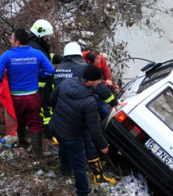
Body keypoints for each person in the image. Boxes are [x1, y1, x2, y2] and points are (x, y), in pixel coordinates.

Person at [53, 42, 126, 185]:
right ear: (79, 54)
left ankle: (66, 171)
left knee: (62, 142)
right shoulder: (84, 69)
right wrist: (114, 102)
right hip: (79, 114)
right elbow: (100, 88)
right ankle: (98, 176)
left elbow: (51, 96)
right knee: (88, 143)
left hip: (61, 115)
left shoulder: (58, 70)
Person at [49, 65, 110, 196]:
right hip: (71, 135)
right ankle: (83, 193)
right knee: (79, 163)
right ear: (90, 81)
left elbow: (52, 99)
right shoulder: (90, 102)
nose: (100, 82)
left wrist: (59, 116)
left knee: (63, 147)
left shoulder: (67, 82)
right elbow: (93, 127)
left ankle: (65, 170)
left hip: (55, 127)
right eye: (98, 80)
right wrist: (103, 145)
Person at [0, 28, 54, 158]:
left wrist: (6, 80)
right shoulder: (37, 53)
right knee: (35, 122)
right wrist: (39, 75)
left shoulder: (7, 55)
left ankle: (23, 143)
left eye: (11, 38)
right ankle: (38, 153)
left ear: (17, 42)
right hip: (32, 96)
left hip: (15, 97)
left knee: (19, 120)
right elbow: (49, 70)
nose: (10, 40)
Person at [28, 19, 63, 139]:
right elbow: (40, 65)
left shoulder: (37, 45)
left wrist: (57, 58)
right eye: (46, 36)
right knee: (45, 110)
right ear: (40, 35)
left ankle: (50, 132)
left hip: (43, 84)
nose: (47, 38)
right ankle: (49, 135)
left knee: (47, 108)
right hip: (40, 85)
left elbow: (45, 58)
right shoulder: (35, 47)